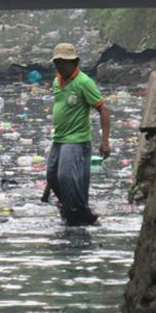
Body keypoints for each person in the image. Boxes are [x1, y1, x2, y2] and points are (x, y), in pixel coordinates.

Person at [46, 43, 111, 226]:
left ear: (75, 62)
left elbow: (103, 109)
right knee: (52, 175)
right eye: (57, 62)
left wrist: (105, 141)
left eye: (64, 62)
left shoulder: (84, 82)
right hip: (59, 138)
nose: (60, 66)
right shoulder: (57, 82)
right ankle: (70, 207)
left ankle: (78, 212)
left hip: (76, 140)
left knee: (66, 176)